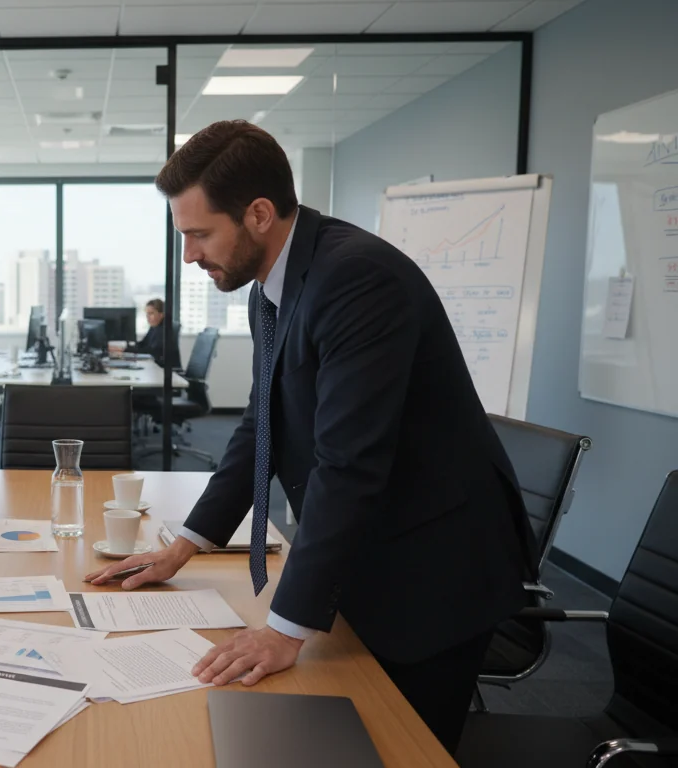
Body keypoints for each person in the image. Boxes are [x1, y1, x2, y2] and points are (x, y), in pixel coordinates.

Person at [86, 121, 535, 754]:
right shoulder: (271, 286)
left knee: (400, 747)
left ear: (259, 214)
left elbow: (347, 464)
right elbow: (260, 427)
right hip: (370, 548)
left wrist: (284, 629)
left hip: (433, 564)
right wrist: (185, 545)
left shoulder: (356, 280)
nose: (189, 255)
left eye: (198, 234)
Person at [130, 298, 181, 369]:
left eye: (151, 313)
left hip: (168, 373)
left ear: (162, 314)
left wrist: (128, 349)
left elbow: (152, 351)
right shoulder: (154, 326)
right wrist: (127, 346)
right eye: (147, 314)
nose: (148, 317)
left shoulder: (165, 329)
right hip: (157, 368)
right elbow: (143, 344)